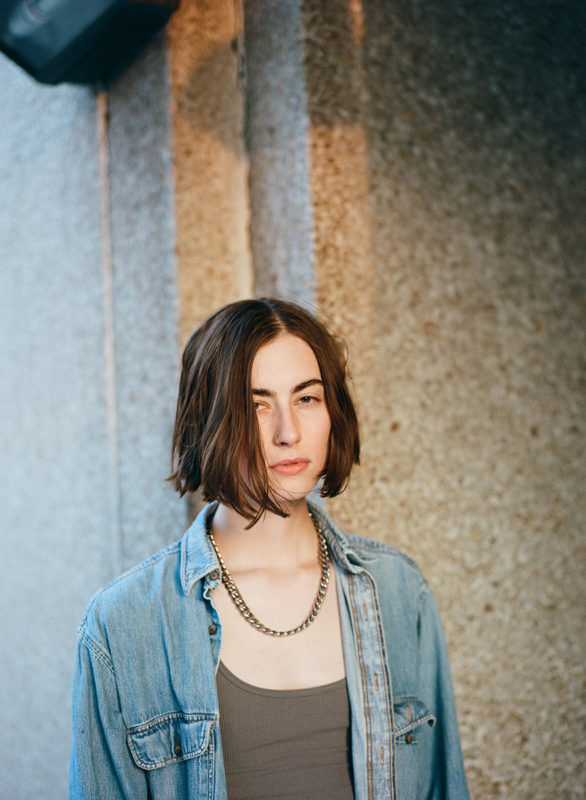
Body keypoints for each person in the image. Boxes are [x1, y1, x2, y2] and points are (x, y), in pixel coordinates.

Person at [70, 297, 469, 800]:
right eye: (256, 406)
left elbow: (442, 786)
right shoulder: (123, 622)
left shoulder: (397, 589)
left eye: (307, 399)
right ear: (208, 421)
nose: (288, 432)